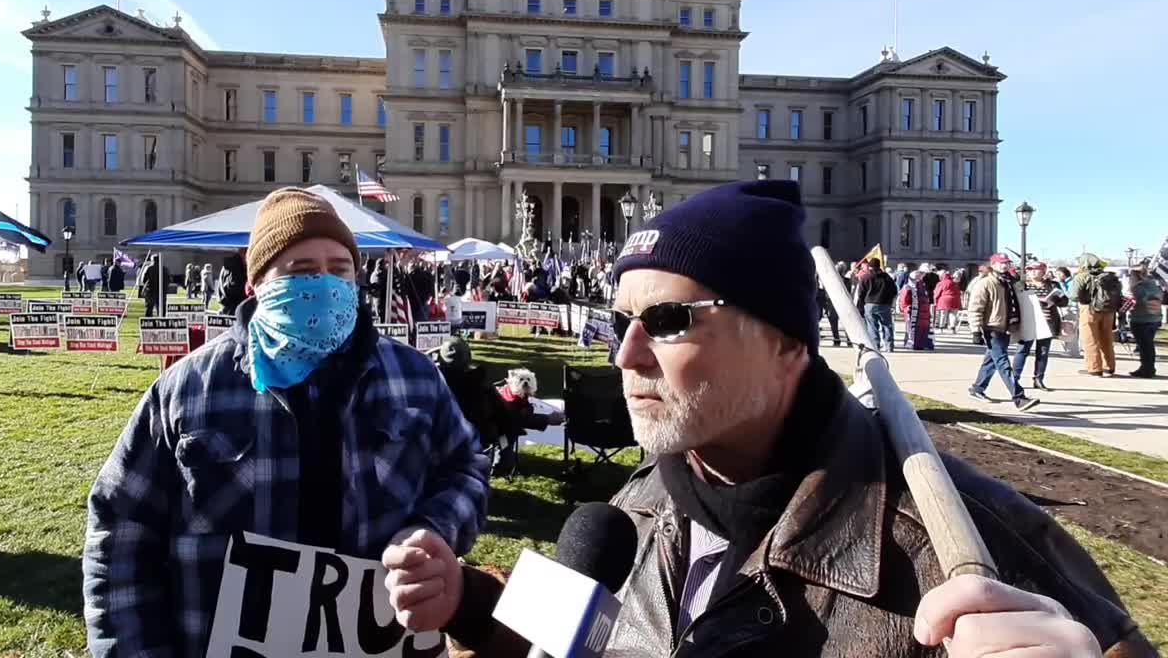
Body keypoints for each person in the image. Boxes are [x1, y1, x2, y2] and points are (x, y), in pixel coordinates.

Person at [383, 182, 1152, 658]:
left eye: (669, 319)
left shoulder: (972, 545)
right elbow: (545, 644)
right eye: (621, 320)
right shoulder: (636, 508)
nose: (625, 356)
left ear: (787, 342)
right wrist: (471, 610)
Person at [84, 188, 489, 656]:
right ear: (257, 283)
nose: (324, 284)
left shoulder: (414, 377)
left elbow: (466, 467)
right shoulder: (187, 390)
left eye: (340, 271)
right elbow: (120, 532)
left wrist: (433, 529)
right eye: (301, 271)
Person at [967, 253, 1040, 411]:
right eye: (1001, 263)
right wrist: (975, 331)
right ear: (993, 265)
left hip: (1006, 328)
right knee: (1002, 363)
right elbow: (975, 309)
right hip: (992, 328)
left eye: (1006, 263)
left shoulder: (1010, 282)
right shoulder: (985, 283)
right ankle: (1019, 397)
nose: (1005, 266)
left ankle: (977, 388)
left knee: (992, 360)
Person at [1014, 261, 1068, 391]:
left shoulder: (1052, 285)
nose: (1032, 272)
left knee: (1042, 352)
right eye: (1030, 269)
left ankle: (1038, 379)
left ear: (1043, 271)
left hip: (1047, 322)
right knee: (1022, 350)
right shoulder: (1021, 285)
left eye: (1035, 269)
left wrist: (1055, 299)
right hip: (1028, 322)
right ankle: (1014, 379)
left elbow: (1064, 301)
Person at [1072, 252, 1121, 377]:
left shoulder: (1082, 276)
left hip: (1089, 309)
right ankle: (1109, 366)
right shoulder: (1109, 276)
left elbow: (1074, 296)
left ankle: (1094, 368)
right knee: (1107, 338)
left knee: (1090, 339)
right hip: (1109, 311)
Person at [1128, 266, 1163, 378]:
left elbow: (1136, 301)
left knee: (1144, 346)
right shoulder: (1155, 286)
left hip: (1141, 319)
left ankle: (1146, 369)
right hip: (1155, 318)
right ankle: (1148, 367)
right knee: (1149, 345)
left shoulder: (1139, 288)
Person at [860, 257, 897, 351]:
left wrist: (862, 304)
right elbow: (894, 291)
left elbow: (861, 293)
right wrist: (889, 301)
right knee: (887, 325)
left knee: (872, 326)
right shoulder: (886, 277)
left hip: (870, 304)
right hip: (884, 304)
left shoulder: (866, 277)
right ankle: (889, 346)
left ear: (870, 266)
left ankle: (875, 345)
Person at [898, 268, 934, 350]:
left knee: (912, 329)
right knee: (922, 329)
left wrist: (904, 309)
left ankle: (913, 343)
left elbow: (904, 301)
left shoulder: (908, 287)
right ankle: (921, 344)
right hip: (923, 312)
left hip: (914, 311)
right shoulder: (923, 287)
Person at [217, 250, 247, 315]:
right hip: (234, 307)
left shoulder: (228, 266)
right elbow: (234, 286)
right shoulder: (236, 266)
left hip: (227, 304)